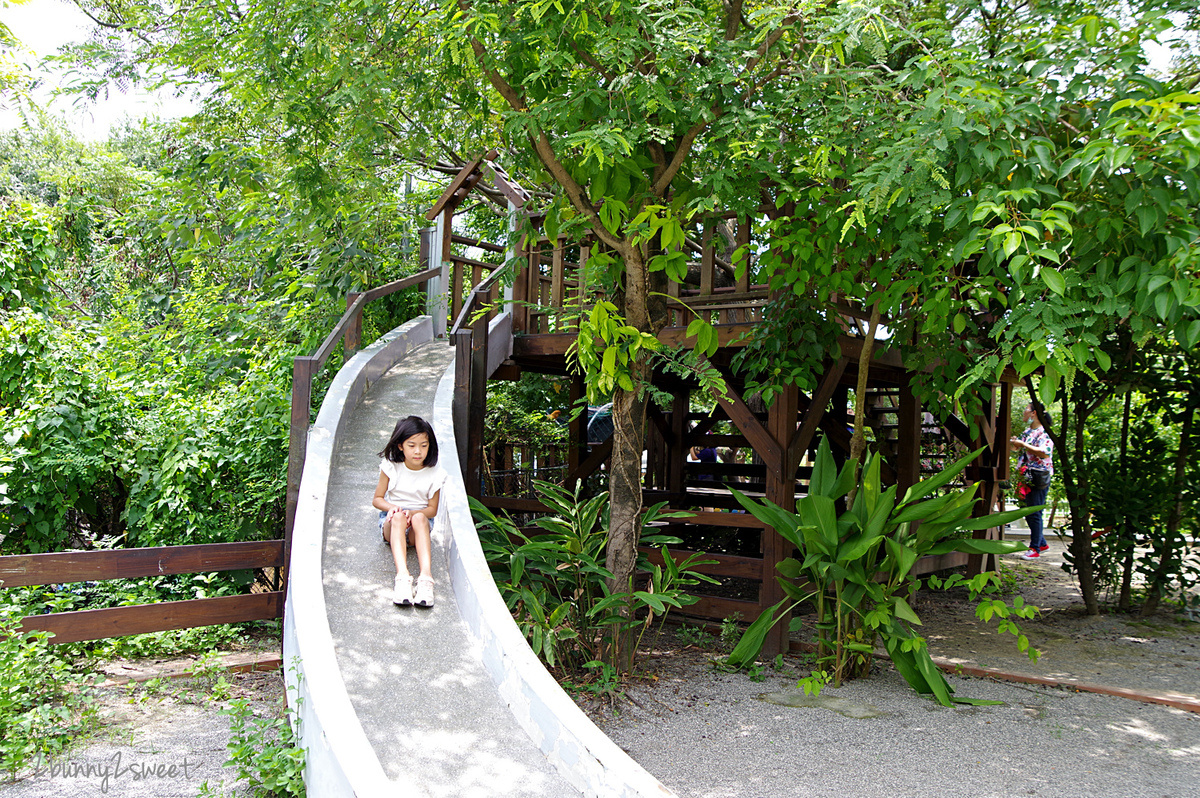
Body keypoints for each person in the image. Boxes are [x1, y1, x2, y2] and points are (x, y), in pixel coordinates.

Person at [373, 415, 446, 606]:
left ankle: (426, 579)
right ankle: (403, 578)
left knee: (421, 518)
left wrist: (412, 514)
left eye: (424, 445)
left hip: (418, 526)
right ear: (400, 446)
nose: (418, 451)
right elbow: (377, 499)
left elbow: (433, 509)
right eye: (411, 445)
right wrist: (394, 508)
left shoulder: (435, 473)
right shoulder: (391, 467)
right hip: (393, 523)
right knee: (397, 517)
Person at [1009, 404, 1054, 559]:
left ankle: (1035, 548)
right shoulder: (1028, 431)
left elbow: (1044, 453)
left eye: (1026, 409)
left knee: (1034, 511)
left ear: (1034, 413)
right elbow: (1017, 449)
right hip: (1026, 475)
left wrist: (1023, 445)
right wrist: (1015, 443)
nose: (1024, 412)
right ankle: (1041, 542)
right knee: (1029, 511)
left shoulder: (1045, 432)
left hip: (1038, 475)